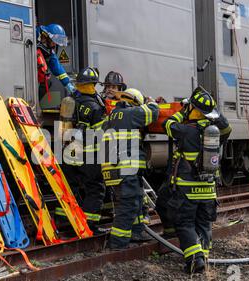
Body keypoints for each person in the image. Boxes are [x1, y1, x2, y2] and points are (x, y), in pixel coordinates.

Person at [163, 87, 232, 274]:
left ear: (193, 109)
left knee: (184, 223)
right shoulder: (217, 132)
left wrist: (182, 112)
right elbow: (227, 127)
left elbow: (167, 124)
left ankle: (195, 260)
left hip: (187, 189)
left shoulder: (185, 130)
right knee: (204, 224)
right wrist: (213, 113)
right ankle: (204, 257)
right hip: (209, 188)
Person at [102, 88, 159, 250]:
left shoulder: (110, 117)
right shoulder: (131, 114)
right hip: (125, 169)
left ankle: (136, 232)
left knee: (136, 200)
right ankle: (117, 243)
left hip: (112, 169)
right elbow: (153, 112)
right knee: (128, 204)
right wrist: (152, 102)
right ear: (134, 103)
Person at [61, 67, 106, 231]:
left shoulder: (69, 101)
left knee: (70, 185)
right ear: (93, 84)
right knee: (95, 186)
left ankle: (66, 219)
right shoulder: (96, 107)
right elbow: (101, 135)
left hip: (68, 150)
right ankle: (88, 223)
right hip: (89, 154)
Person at [37, 24, 76, 101]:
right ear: (47, 37)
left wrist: (68, 84)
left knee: (46, 82)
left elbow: (57, 68)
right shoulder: (35, 34)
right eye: (54, 41)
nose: (55, 44)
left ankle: (36, 102)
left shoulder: (49, 50)